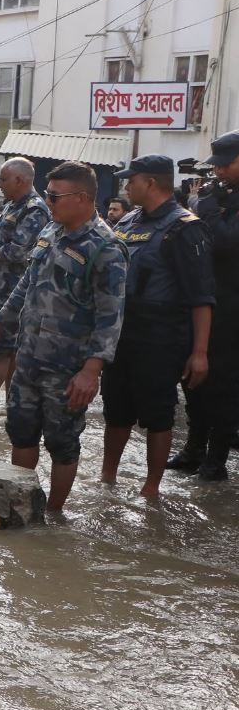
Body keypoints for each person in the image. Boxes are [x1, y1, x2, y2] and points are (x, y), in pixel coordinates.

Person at [0, 160, 128, 514]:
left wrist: (91, 371)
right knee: (21, 430)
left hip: (68, 367)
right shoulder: (50, 232)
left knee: (62, 442)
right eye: (48, 194)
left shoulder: (105, 248)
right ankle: (21, 508)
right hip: (29, 357)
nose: (49, 202)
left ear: (83, 198)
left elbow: (111, 317)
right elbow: (26, 285)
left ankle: (54, 516)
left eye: (55, 196)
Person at [98, 155, 213, 499]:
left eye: (130, 180)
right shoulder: (129, 221)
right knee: (116, 408)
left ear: (150, 182)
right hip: (122, 331)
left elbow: (201, 297)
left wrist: (200, 353)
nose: (125, 186)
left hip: (161, 335)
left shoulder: (185, 227)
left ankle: (151, 489)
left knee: (158, 413)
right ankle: (107, 478)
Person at [170, 132, 239, 480]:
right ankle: (194, 447)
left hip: (232, 308)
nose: (220, 171)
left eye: (227, 164)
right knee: (193, 375)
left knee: (223, 383)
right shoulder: (223, 195)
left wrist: (208, 207)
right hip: (205, 299)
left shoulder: (218, 202)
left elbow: (226, 242)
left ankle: (216, 459)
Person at [0, 157, 50, 413]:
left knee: (5, 353)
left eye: (3, 179)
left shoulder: (34, 209)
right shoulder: (11, 206)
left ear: (20, 180)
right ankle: (9, 408)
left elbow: (20, 251)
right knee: (5, 353)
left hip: (13, 293)